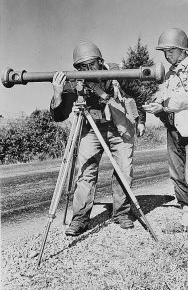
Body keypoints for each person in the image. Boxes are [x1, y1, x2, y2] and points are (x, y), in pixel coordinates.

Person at [50, 42, 147, 236]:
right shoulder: (74, 81)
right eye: (82, 67)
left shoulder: (116, 72)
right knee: (85, 171)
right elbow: (59, 115)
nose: (87, 70)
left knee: (124, 170)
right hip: (91, 128)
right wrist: (57, 93)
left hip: (120, 126)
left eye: (91, 65)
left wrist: (141, 120)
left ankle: (121, 213)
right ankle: (80, 219)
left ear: (100, 61)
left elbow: (138, 94)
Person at [143, 28, 188, 237]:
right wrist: (156, 101)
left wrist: (164, 105)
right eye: (164, 51)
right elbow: (164, 92)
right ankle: (186, 220)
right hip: (174, 128)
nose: (166, 55)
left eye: (170, 51)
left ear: (183, 49)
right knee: (177, 175)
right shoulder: (172, 72)